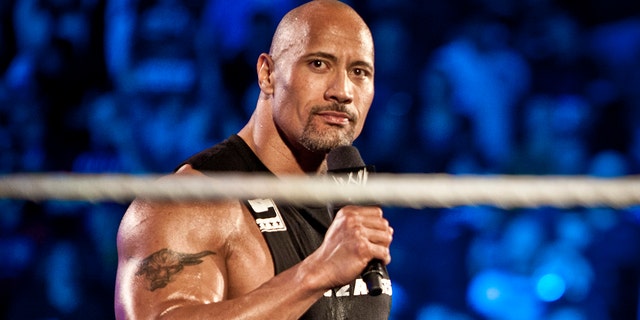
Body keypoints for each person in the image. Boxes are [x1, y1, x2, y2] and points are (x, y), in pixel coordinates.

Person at [114, 1, 394, 319]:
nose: (342, 91)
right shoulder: (188, 202)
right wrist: (317, 272)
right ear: (267, 74)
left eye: (359, 72)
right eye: (318, 64)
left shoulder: (348, 201)